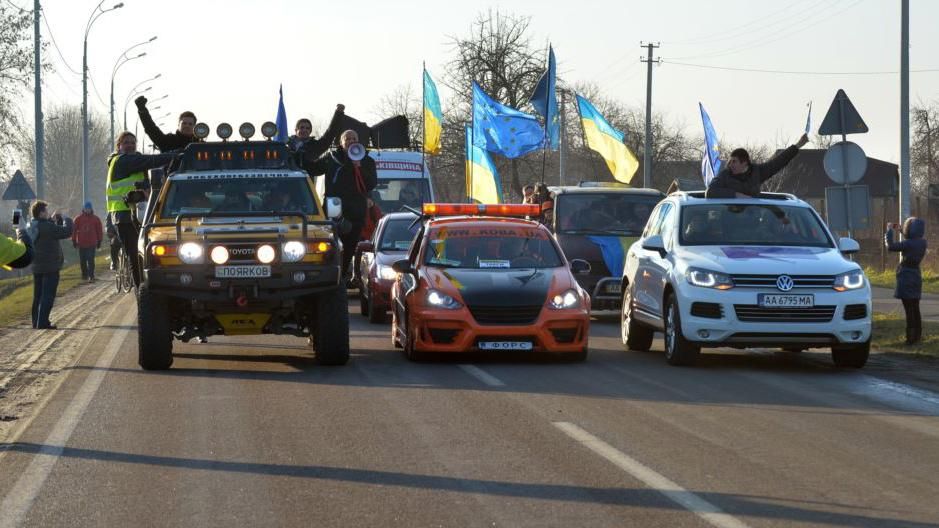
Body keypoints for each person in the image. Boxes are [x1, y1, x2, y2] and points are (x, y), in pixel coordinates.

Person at [302, 129, 378, 284]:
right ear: (341, 143)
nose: (351, 141)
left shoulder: (367, 161)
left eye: (354, 138)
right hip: (333, 210)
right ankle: (331, 276)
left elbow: (371, 183)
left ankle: (343, 277)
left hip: (355, 212)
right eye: (347, 138)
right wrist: (302, 154)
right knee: (332, 246)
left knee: (350, 247)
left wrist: (359, 166)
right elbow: (314, 169)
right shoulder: (332, 158)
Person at [107, 131, 178, 288]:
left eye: (133, 142)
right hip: (124, 215)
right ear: (119, 146)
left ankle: (147, 290)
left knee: (144, 255)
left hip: (136, 213)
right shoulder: (122, 161)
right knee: (135, 256)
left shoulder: (133, 162)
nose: (130, 145)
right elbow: (152, 160)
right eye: (126, 142)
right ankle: (141, 295)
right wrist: (177, 154)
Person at [706, 133, 809, 198]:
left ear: (744, 163)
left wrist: (798, 145)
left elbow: (778, 162)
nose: (730, 164)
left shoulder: (757, 172)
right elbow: (710, 192)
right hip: (728, 218)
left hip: (752, 219)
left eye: (734, 162)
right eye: (730, 161)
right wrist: (736, 195)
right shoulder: (724, 175)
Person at [29, 201, 73, 329]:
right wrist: (66, 218)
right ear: (42, 213)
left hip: (36, 266)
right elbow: (66, 231)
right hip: (50, 266)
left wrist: (51, 220)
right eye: (46, 211)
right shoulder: (48, 227)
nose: (48, 213)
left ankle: (36, 321)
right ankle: (43, 322)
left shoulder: (32, 225)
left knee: (37, 296)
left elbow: (47, 230)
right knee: (48, 295)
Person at [885, 217, 928, 345]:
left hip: (906, 275)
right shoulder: (922, 242)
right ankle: (917, 336)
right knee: (915, 308)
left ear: (910, 229)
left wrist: (889, 231)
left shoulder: (908, 244)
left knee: (908, 309)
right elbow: (911, 240)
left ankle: (910, 338)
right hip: (916, 275)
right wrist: (901, 231)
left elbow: (891, 247)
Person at [71, 201, 103, 282]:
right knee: (82, 261)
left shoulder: (96, 219)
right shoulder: (78, 219)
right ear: (83, 209)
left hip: (92, 243)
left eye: (89, 208)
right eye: (86, 208)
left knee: (91, 260)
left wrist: (99, 240)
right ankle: (84, 275)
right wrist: (74, 240)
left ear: (91, 209)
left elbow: (99, 230)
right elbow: (74, 230)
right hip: (82, 243)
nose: (87, 210)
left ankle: (91, 275)